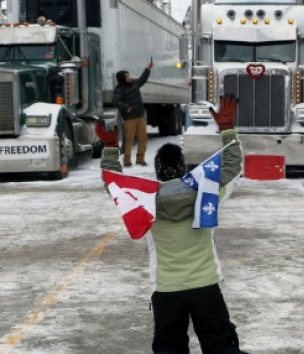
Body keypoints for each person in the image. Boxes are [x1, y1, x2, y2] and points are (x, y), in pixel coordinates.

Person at [96, 95, 248, 354]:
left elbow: (114, 184)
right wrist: (227, 129)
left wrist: (111, 149)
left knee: (170, 349)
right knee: (221, 346)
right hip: (205, 286)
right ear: (183, 168)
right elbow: (233, 167)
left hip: (166, 290)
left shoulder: (144, 201)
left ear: (157, 171)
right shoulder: (205, 192)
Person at [113, 59, 154, 166]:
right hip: (129, 118)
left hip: (140, 116)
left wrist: (148, 68)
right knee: (129, 140)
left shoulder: (134, 84)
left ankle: (140, 159)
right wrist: (126, 107)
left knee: (143, 139)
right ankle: (127, 161)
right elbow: (116, 101)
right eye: (126, 76)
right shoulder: (119, 89)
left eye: (129, 75)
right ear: (122, 79)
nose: (129, 77)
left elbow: (142, 79)